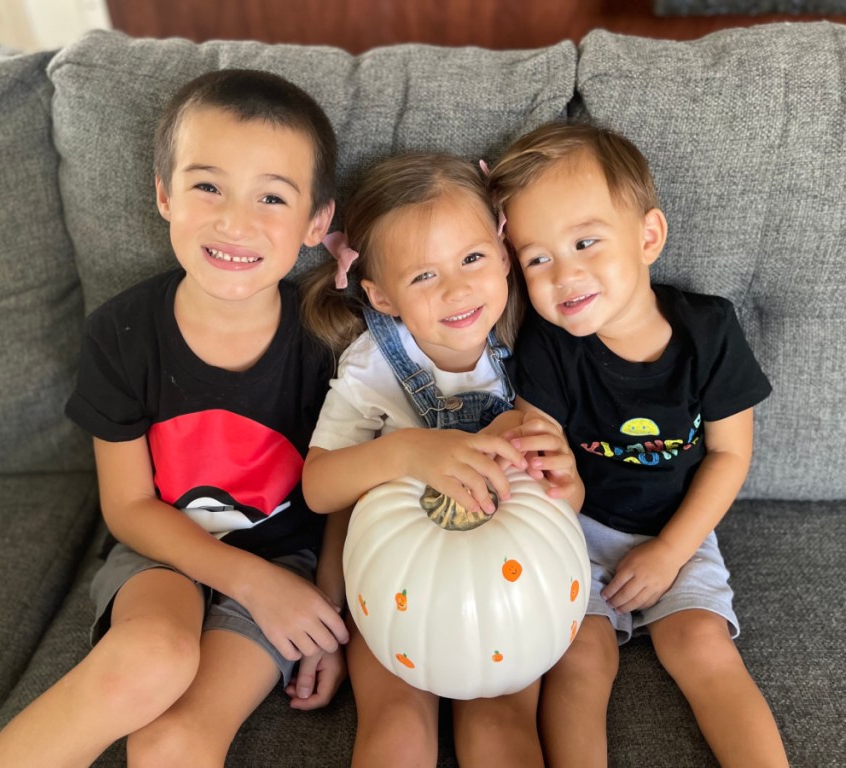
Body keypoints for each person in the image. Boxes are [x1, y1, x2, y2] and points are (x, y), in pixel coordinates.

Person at [0, 69, 349, 768]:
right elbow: (129, 506)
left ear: (315, 223)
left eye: (272, 196)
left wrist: (328, 616)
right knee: (150, 657)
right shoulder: (120, 333)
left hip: (287, 563)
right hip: (157, 550)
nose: (236, 220)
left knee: (172, 739)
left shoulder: (328, 341)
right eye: (208, 186)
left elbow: (346, 495)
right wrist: (247, 581)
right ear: (164, 195)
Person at [488, 122, 790, 767]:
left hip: (679, 527)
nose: (564, 274)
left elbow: (732, 455)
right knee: (579, 659)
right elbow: (537, 466)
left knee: (702, 646)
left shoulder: (708, 331)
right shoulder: (550, 347)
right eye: (537, 258)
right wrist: (559, 489)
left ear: (648, 237)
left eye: (586, 242)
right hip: (576, 528)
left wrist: (669, 552)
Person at [299, 152, 579, 768]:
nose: (456, 289)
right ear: (382, 295)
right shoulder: (374, 365)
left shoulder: (535, 346)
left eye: (472, 259)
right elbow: (319, 489)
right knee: (396, 731)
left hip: (510, 593)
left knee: (502, 731)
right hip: (394, 589)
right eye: (423, 277)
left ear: (503, 254)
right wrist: (404, 450)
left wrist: (566, 472)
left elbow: (564, 506)